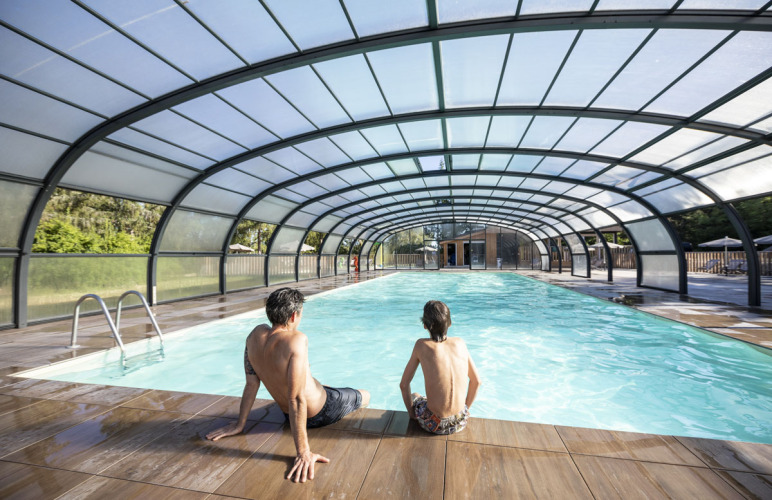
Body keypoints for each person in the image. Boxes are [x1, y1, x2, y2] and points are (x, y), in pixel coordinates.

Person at [206, 287, 370, 483]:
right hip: (320, 411)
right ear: (294, 315)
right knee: (364, 395)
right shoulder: (296, 340)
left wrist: (240, 424)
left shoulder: (254, 335)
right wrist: (303, 452)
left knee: (317, 382)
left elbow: (251, 385)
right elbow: (297, 398)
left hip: (289, 413)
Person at [399, 300, 481, 435]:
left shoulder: (421, 345)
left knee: (415, 396)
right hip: (460, 421)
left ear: (425, 325)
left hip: (434, 425)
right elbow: (477, 382)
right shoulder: (460, 343)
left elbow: (404, 384)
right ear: (450, 323)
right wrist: (465, 409)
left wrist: (412, 414)